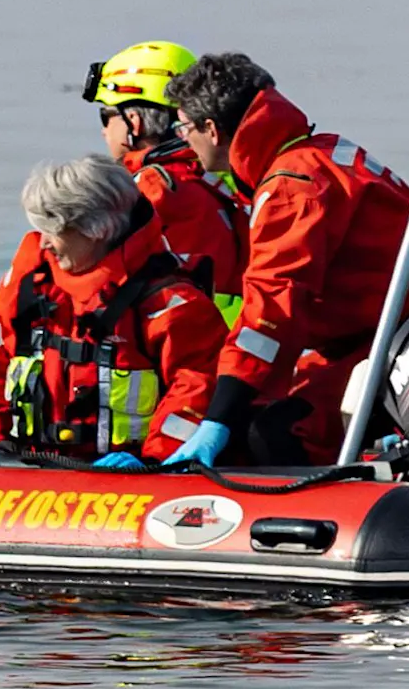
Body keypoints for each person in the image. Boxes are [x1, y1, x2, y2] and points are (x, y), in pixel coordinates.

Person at [162, 54, 409, 466]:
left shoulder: (290, 187)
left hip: (385, 343)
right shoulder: (321, 151)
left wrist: (219, 418)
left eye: (184, 128)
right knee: (268, 414)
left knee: (277, 433)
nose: (182, 140)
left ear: (212, 130)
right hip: (370, 337)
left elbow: (272, 309)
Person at [0, 156, 226, 467]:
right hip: (30, 466)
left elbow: (196, 390)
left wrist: (155, 460)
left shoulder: (170, 306)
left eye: (54, 231)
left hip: (131, 473)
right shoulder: (35, 290)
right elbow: (2, 374)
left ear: (96, 229)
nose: (45, 244)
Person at [83, 40, 245, 316]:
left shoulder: (147, 190)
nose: (103, 131)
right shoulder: (222, 175)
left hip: (180, 334)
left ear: (134, 122)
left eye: (106, 116)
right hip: (236, 327)